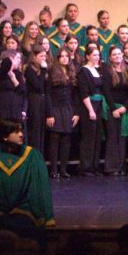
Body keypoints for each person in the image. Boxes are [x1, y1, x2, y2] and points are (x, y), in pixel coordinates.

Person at [0, 119, 54, 243]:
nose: (21, 134)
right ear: (4, 136)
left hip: (23, 211)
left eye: (21, 130)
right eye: (16, 131)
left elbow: (40, 189)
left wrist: (46, 216)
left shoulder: (32, 156)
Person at [44, 47, 79, 179]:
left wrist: (76, 112)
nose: (65, 58)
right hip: (55, 107)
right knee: (55, 138)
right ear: (58, 58)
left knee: (66, 139)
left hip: (68, 108)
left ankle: (63, 169)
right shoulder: (52, 71)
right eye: (62, 56)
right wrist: (49, 114)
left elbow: (75, 95)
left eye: (66, 56)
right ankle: (53, 169)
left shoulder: (71, 71)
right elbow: (48, 94)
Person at [101, 45, 128, 176]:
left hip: (125, 108)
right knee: (113, 137)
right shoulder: (107, 72)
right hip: (112, 108)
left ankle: (121, 166)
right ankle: (111, 167)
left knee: (123, 137)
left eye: (119, 54)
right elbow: (106, 92)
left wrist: (125, 107)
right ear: (110, 58)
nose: (117, 56)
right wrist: (114, 109)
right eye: (114, 55)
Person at [77, 44, 105, 177]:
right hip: (90, 105)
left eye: (98, 55)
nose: (96, 57)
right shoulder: (84, 71)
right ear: (87, 56)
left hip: (99, 104)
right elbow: (84, 92)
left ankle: (94, 166)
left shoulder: (98, 70)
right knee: (89, 136)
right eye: (94, 55)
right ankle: (85, 167)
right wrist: (90, 110)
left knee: (97, 136)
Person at [23, 46, 49, 154]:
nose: (44, 58)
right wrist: (43, 70)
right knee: (35, 132)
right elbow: (38, 86)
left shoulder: (43, 69)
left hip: (42, 101)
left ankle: (40, 157)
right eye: (41, 56)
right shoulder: (29, 69)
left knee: (42, 132)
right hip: (33, 101)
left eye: (45, 56)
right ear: (34, 57)